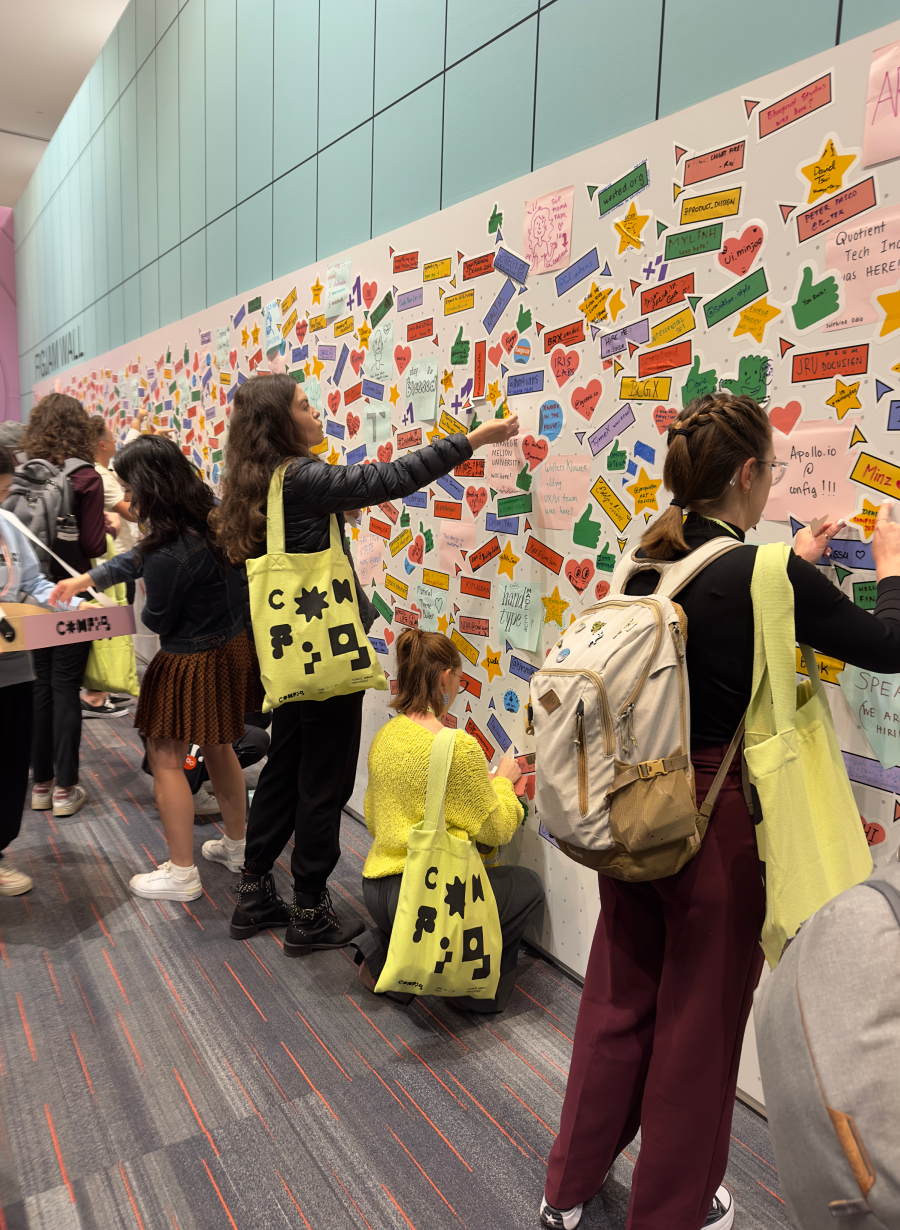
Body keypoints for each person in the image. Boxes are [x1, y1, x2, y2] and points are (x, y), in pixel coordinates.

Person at [540, 392, 900, 1230]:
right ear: (748, 473)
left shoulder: (647, 556)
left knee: (617, 1001)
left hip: (633, 808)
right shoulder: (766, 574)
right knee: (701, 1033)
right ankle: (673, 1211)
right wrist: (889, 566)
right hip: (717, 820)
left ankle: (566, 1190)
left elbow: (728, 603)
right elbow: (889, 645)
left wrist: (791, 560)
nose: (774, 485)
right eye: (772, 471)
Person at [211, 373, 520, 955]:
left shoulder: (260, 484)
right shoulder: (301, 478)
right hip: (326, 658)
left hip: (291, 659)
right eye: (305, 405)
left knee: (286, 765)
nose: (316, 412)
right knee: (324, 781)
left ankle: (254, 891)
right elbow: (388, 479)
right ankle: (309, 910)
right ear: (281, 422)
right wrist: (473, 439)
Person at [50, 436, 268, 904]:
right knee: (218, 746)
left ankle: (182, 873)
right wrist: (89, 579)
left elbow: (156, 618)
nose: (128, 501)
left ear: (150, 487)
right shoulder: (210, 510)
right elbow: (142, 553)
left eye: (131, 490)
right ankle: (237, 847)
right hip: (230, 648)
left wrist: (137, 596)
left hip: (188, 659)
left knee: (167, 758)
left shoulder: (170, 554)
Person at [355, 628, 544, 1010]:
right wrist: (505, 785)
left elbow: (375, 818)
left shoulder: (386, 735)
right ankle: (467, 991)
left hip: (377, 889)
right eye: (459, 677)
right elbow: (499, 828)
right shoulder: (456, 746)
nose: (459, 685)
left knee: (420, 912)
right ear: (445, 678)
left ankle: (387, 957)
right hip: (425, 896)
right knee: (527, 886)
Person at [0, 447, 85, 894]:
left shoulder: (6, 525)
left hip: (13, 667)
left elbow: (32, 584)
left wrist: (77, 607)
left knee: (11, 761)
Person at [20, 394, 106, 818]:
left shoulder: (23, 474)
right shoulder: (86, 477)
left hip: (30, 595)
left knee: (39, 684)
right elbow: (92, 545)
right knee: (66, 684)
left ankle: (40, 784)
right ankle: (65, 790)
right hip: (72, 595)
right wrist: (103, 529)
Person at [81, 415, 139, 717]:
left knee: (113, 630)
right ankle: (96, 693)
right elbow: (130, 513)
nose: (117, 442)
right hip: (113, 563)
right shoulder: (100, 476)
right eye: (112, 438)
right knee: (108, 631)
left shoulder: (102, 472)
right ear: (102, 444)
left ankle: (104, 689)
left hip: (114, 562)